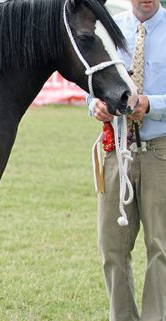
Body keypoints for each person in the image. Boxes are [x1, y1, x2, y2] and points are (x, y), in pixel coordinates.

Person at [88, 0, 166, 320]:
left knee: (160, 247)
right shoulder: (109, 28)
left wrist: (150, 104)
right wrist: (94, 104)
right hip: (116, 151)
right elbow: (92, 82)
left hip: (160, 151)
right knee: (112, 248)